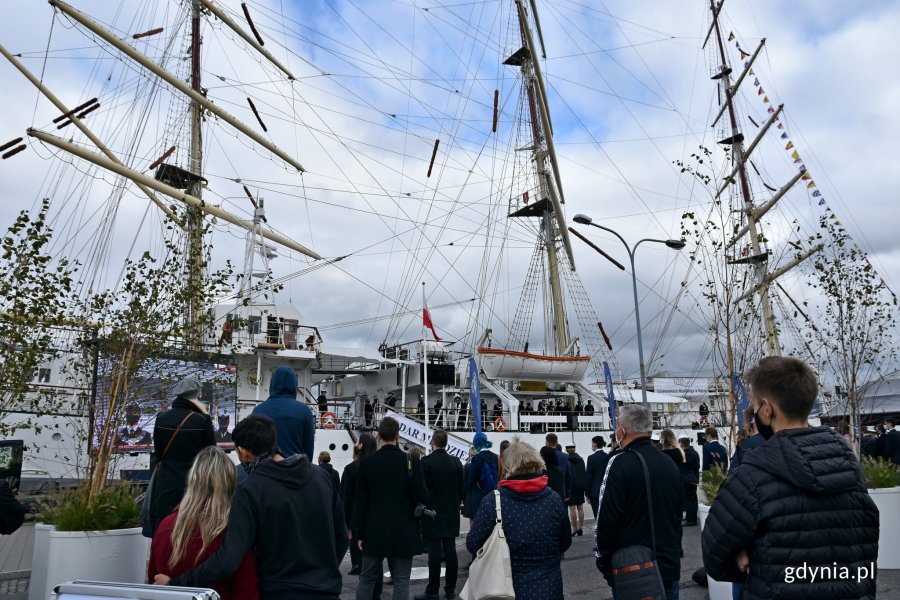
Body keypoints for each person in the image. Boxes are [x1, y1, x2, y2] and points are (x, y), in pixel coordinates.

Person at [702, 356, 880, 599]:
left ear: (767, 409)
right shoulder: (848, 465)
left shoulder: (752, 473)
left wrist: (744, 554)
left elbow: (714, 552)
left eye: (754, 407)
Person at [156, 414, 348, 600]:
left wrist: (176, 585)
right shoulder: (321, 478)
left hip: (278, 593)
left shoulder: (250, 490)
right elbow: (341, 538)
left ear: (243, 452)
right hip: (327, 591)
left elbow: (227, 559)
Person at [595, 404, 683, 600]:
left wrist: (604, 562)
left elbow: (606, 520)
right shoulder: (669, 462)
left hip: (633, 570)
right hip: (669, 564)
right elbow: (677, 514)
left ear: (622, 430)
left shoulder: (619, 463)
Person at [148, 447, 258, 600]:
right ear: (231, 483)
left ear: (192, 480)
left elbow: (153, 585)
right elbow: (247, 592)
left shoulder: (165, 527)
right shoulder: (232, 533)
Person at [466, 439, 571, 600]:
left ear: (508, 468)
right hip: (549, 588)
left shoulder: (494, 501)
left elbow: (473, 543)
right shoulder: (554, 499)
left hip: (506, 589)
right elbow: (565, 542)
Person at [355, 417, 428, 600]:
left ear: (378, 435)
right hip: (404, 528)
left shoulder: (367, 463)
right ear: (398, 435)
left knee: (366, 579)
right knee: (402, 580)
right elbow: (422, 496)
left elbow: (361, 502)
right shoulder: (412, 462)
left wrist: (360, 533)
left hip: (374, 529)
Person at [148, 376, 215, 537]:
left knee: (165, 531)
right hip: (194, 485)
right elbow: (211, 454)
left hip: (166, 484)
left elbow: (159, 453)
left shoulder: (162, 418)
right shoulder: (202, 420)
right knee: (191, 534)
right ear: (196, 395)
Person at [416, 430, 464, 600]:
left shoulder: (426, 462)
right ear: (446, 443)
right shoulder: (456, 462)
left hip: (431, 513)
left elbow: (421, 490)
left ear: (433, 442)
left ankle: (433, 590)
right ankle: (450, 590)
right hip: (451, 512)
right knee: (451, 550)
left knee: (434, 552)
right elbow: (461, 488)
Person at [252, 365, 314, 460]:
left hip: (266, 470)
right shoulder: (305, 411)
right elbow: (308, 450)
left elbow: (254, 446)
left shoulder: (258, 410)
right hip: (295, 470)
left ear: (272, 384)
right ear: (294, 384)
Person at [341, 433, 377, 577]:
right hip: (375, 513)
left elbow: (345, 496)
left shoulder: (351, 468)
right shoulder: (377, 466)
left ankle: (357, 564)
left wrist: (345, 521)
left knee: (355, 540)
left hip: (356, 513)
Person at [463, 432, 499, 527]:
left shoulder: (476, 459)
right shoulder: (495, 457)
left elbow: (471, 480)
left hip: (478, 496)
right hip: (492, 494)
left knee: (478, 523)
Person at [584, 435, 609, 519]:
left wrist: (587, 493)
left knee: (597, 515)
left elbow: (589, 476)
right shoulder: (608, 456)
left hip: (595, 492)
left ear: (595, 444)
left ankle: (599, 531)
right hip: (607, 490)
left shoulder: (591, 458)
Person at [565, 443, 586, 536]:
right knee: (580, 507)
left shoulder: (566, 459)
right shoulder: (581, 459)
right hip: (580, 485)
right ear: (574, 449)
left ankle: (574, 529)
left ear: (566, 450)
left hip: (571, 486)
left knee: (572, 507)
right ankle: (580, 528)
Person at [678, 437, 699, 526]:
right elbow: (697, 466)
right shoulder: (695, 453)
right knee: (693, 499)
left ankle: (690, 520)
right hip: (693, 478)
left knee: (688, 501)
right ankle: (692, 518)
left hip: (685, 479)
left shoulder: (684, 454)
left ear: (681, 444)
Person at [544, 433, 571, 502]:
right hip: (561, 492)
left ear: (546, 442)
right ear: (556, 442)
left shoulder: (543, 456)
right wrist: (567, 494)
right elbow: (568, 476)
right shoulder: (565, 456)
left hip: (547, 492)